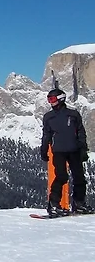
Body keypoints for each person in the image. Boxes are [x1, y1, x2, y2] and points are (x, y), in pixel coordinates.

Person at [41, 88, 92, 216]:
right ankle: (53, 204)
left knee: (79, 178)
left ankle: (79, 204)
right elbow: (46, 135)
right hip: (58, 151)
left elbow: (81, 132)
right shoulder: (48, 117)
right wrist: (44, 150)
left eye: (52, 99)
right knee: (61, 176)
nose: (50, 102)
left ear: (60, 98)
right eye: (49, 100)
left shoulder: (73, 114)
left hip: (74, 150)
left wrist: (83, 149)